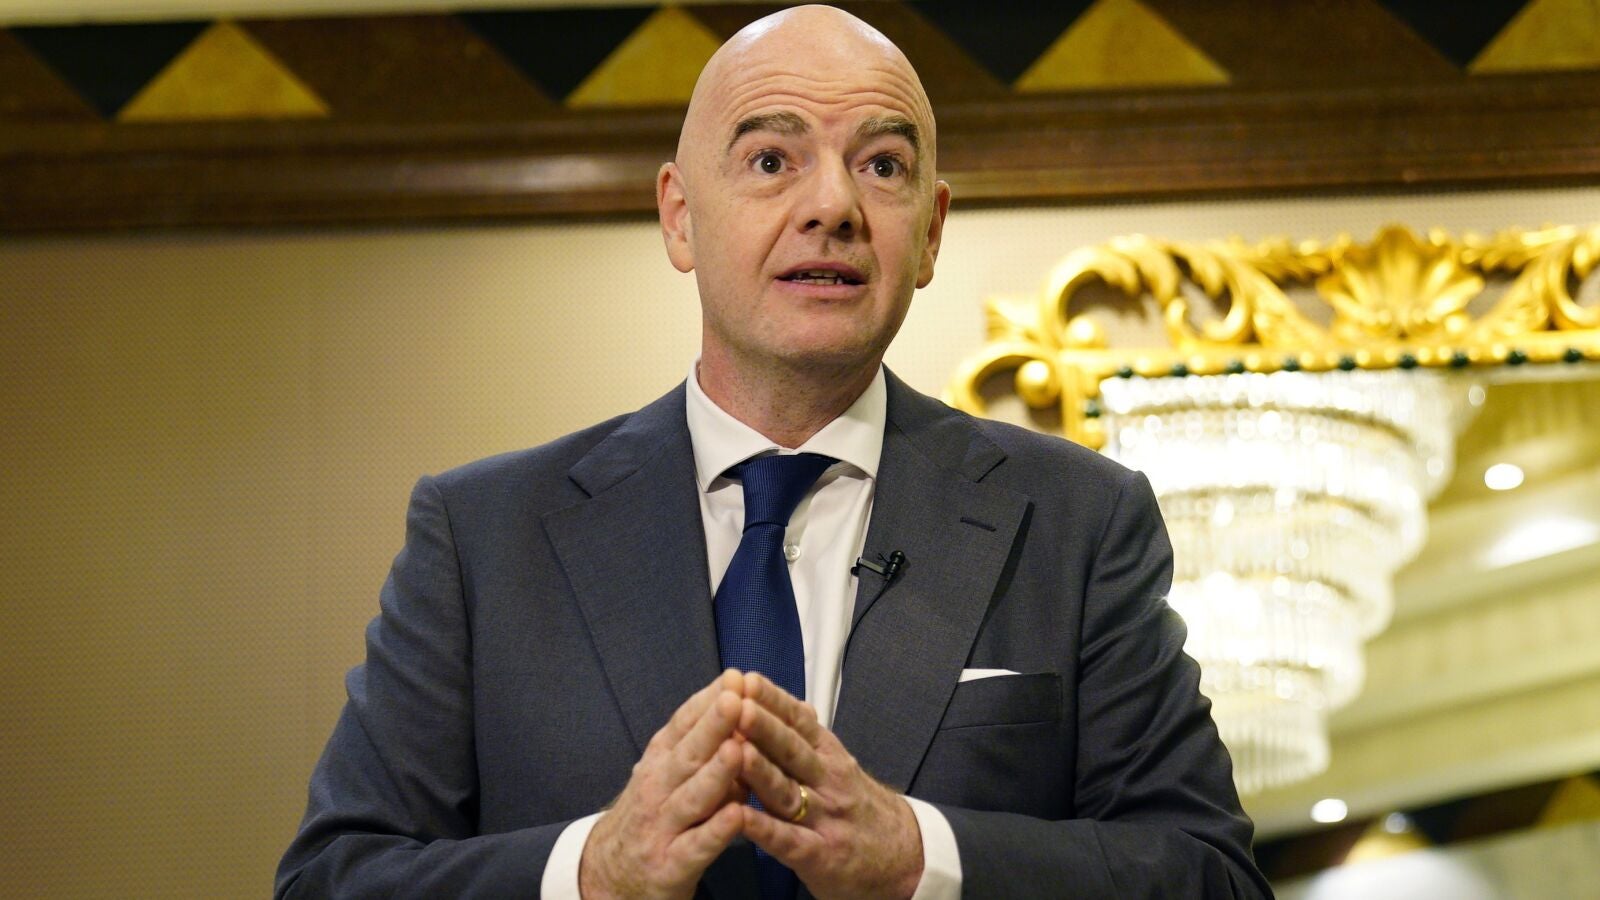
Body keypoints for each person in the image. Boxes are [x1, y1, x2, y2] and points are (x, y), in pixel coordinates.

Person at [277, 6, 1270, 898]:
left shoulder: (1079, 523)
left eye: (883, 165)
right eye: (770, 160)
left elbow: (1211, 875)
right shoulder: (481, 538)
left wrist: (920, 858)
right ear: (679, 216)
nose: (832, 204)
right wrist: (593, 874)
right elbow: (332, 879)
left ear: (930, 233)